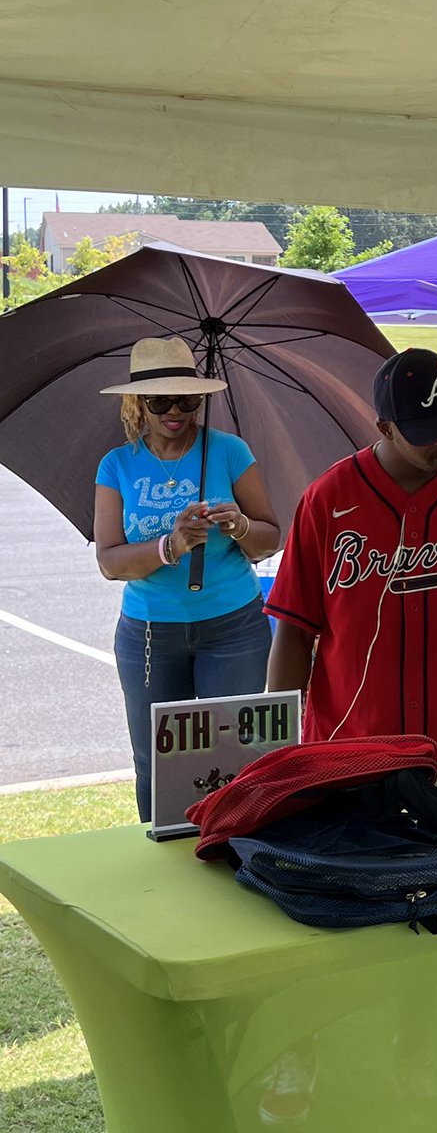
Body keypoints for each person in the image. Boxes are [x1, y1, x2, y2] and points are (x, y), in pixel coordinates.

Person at [265, 347, 437, 758]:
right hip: (349, 748)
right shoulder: (328, 498)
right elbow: (294, 628)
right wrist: (279, 745)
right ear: (386, 428)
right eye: (431, 430)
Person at [94, 335, 281, 821]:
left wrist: (238, 524)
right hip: (150, 633)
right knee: (156, 761)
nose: (175, 411)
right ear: (139, 403)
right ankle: (164, 861)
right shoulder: (117, 465)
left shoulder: (228, 451)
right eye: (160, 400)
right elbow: (111, 562)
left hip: (234, 628)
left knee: (237, 758)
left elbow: (269, 538)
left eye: (187, 399)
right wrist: (171, 545)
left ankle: (235, 849)